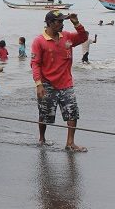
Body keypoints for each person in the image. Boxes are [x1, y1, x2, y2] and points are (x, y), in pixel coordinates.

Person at [31, 10, 87, 152]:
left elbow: (83, 37)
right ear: (50, 23)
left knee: (72, 112)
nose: (62, 24)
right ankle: (42, 138)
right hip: (47, 84)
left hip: (66, 83)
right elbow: (35, 63)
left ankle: (70, 143)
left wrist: (76, 23)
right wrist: (38, 84)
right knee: (45, 115)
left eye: (63, 21)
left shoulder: (66, 36)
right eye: (59, 21)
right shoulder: (39, 41)